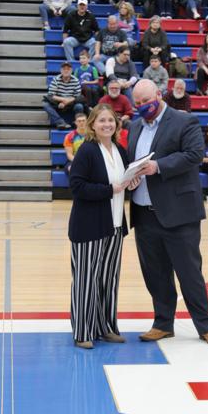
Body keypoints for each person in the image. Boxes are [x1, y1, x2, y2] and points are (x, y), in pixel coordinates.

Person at [127, 79, 208, 346]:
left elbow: (195, 155)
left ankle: (206, 326)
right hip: (144, 212)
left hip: (179, 213)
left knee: (189, 272)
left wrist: (158, 166)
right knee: (155, 273)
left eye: (145, 101)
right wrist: (129, 177)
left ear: (159, 95)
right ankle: (162, 323)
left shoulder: (184, 121)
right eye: (137, 103)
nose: (141, 107)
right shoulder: (134, 126)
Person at [68, 104, 138, 349]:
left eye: (111, 120)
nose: (107, 124)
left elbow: (126, 181)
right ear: (92, 125)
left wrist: (133, 182)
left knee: (109, 279)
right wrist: (110, 190)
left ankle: (106, 327)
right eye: (102, 121)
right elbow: (76, 187)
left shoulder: (120, 150)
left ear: (117, 124)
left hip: (115, 225)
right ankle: (82, 332)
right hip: (89, 226)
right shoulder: (87, 150)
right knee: (86, 280)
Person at [43, 61, 86, 129]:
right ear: (61, 70)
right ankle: (60, 122)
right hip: (58, 104)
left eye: (68, 69)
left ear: (71, 70)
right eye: (64, 69)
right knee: (45, 104)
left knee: (79, 106)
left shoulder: (76, 80)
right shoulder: (56, 79)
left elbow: (78, 96)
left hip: (71, 104)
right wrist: (63, 100)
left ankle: (77, 124)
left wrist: (67, 102)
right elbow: (51, 95)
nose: (66, 71)